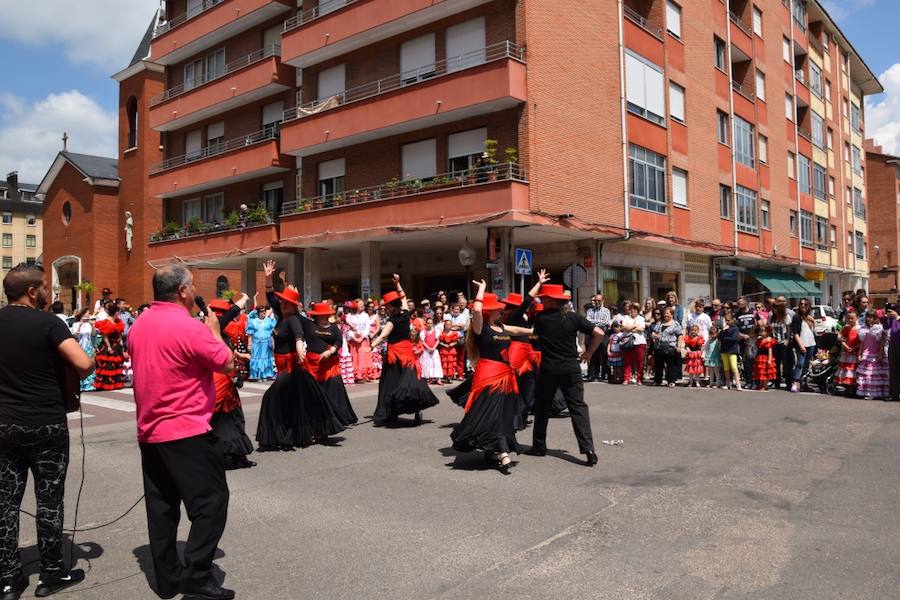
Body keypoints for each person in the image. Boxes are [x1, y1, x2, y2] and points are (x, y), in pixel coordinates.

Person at [126, 264, 235, 600]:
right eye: (191, 284)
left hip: (150, 430)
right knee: (212, 501)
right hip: (186, 429)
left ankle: (168, 579)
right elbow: (227, 363)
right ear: (183, 291)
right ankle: (197, 574)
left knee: (162, 508)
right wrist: (215, 331)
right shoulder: (190, 327)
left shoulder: (140, 324)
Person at [0, 264, 94, 600]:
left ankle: (8, 578)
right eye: (44, 287)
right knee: (49, 500)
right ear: (30, 292)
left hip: (4, 424)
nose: (48, 293)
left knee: (5, 503)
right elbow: (83, 364)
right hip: (45, 424)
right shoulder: (48, 323)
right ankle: (52, 572)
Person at [257, 261, 345, 448]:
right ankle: (293, 432)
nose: (279, 303)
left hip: (291, 367)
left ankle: (283, 435)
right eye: (280, 301)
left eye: (283, 301)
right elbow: (270, 295)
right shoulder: (283, 315)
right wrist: (268, 277)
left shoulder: (294, 320)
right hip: (284, 368)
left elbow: (299, 335)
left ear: (290, 305)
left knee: (272, 399)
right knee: (293, 403)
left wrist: (300, 348)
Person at [451, 283, 534, 471]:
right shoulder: (480, 327)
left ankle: (491, 450)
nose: (500, 311)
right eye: (497, 309)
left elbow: (515, 331)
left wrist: (532, 331)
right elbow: (477, 309)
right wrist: (482, 289)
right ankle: (503, 453)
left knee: (503, 414)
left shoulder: (499, 325)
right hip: (489, 376)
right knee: (493, 413)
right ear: (489, 312)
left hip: (505, 375)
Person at [527, 283, 603, 466]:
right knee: (578, 407)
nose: (541, 300)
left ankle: (539, 446)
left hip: (549, 369)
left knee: (543, 407)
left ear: (551, 300)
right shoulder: (573, 317)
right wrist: (589, 352)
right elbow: (599, 333)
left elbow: (535, 342)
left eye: (544, 298)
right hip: (571, 368)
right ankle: (589, 449)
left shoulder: (541, 319)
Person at [369, 274, 439, 426]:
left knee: (390, 384)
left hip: (395, 356)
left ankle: (391, 414)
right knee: (409, 383)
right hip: (407, 354)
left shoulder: (392, 320)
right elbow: (404, 296)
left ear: (391, 306)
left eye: (386, 306)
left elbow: (383, 335)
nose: (385, 308)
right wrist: (398, 284)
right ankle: (415, 410)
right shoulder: (405, 314)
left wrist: (371, 346)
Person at [206, 297, 256, 471]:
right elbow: (235, 311)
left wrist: (240, 357)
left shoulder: (216, 329)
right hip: (221, 379)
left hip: (226, 378)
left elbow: (227, 348)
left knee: (231, 416)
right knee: (219, 417)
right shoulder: (217, 322)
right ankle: (220, 454)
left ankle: (235, 454)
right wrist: (245, 298)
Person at [302, 302, 358, 427]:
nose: (323, 317)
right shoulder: (309, 325)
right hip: (313, 365)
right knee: (314, 395)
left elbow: (338, 341)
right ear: (315, 316)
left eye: (325, 315)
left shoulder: (334, 328)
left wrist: (330, 351)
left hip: (330, 365)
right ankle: (316, 421)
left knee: (334, 390)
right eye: (320, 315)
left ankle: (337, 419)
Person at [93, 302, 126, 391]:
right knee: (107, 365)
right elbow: (104, 335)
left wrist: (121, 343)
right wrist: (108, 346)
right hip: (108, 345)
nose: (119, 314)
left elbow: (119, 333)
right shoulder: (106, 322)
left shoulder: (118, 321)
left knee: (116, 365)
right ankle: (105, 384)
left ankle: (116, 383)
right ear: (115, 312)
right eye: (118, 312)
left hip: (116, 345)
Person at [856, 312, 889, 400]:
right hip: (866, 354)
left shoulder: (879, 328)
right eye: (867, 317)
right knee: (866, 374)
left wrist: (881, 353)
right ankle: (867, 392)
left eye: (871, 317)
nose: (868, 319)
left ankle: (874, 393)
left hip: (875, 353)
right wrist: (860, 353)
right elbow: (862, 343)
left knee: (873, 374)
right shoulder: (863, 329)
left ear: (875, 318)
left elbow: (882, 342)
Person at [651, 307, 683, 387]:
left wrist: (679, 346)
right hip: (659, 347)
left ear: (672, 314)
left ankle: (671, 380)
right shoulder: (659, 323)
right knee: (658, 365)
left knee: (671, 365)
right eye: (665, 313)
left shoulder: (675, 324)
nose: (665, 315)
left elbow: (680, 335)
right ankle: (657, 380)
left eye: (667, 313)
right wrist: (655, 336)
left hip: (670, 347)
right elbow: (653, 333)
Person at [790, 299, 816, 392]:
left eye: (805, 304)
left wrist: (812, 322)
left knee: (806, 365)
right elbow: (795, 333)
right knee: (800, 363)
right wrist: (801, 344)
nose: (803, 306)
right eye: (801, 304)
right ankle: (795, 383)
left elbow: (812, 331)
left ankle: (804, 383)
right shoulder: (797, 317)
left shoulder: (809, 317)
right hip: (802, 343)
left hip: (811, 343)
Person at [246, 301, 276, 381]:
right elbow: (250, 333)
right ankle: (255, 375)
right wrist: (249, 343)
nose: (264, 312)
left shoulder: (269, 321)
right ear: (258, 312)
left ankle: (267, 374)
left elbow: (271, 333)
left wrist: (273, 343)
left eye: (265, 311)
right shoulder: (253, 321)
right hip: (256, 343)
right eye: (262, 311)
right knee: (256, 358)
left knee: (266, 358)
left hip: (266, 343)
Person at [346, 300, 374, 383]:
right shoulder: (349, 316)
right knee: (355, 357)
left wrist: (362, 336)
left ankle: (364, 375)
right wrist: (353, 337)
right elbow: (347, 328)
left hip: (363, 339)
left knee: (363, 357)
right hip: (354, 340)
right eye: (360, 304)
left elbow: (367, 327)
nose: (363, 305)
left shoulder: (365, 315)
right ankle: (355, 375)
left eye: (363, 304)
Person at [585, 293, 611, 382]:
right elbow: (588, 322)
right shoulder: (590, 311)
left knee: (604, 355)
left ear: (602, 301)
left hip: (603, 335)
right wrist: (599, 323)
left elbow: (607, 322)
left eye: (599, 300)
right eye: (595, 300)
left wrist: (595, 324)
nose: (597, 302)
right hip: (592, 335)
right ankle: (592, 374)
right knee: (592, 355)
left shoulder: (606, 311)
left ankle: (604, 375)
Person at [619, 302, 647, 385]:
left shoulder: (641, 318)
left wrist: (629, 328)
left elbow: (641, 328)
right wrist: (634, 326)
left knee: (639, 361)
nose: (633, 311)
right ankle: (626, 378)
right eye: (631, 309)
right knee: (627, 361)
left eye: (635, 309)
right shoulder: (625, 317)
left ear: (637, 311)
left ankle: (639, 379)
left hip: (639, 342)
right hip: (627, 342)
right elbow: (623, 327)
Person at [70, 307, 97, 392]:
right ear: (83, 314)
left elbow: (93, 334)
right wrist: (80, 326)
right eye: (88, 313)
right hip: (80, 346)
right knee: (81, 365)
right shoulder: (76, 324)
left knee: (89, 365)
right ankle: (80, 384)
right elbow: (75, 336)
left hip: (88, 347)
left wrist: (92, 325)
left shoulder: (89, 324)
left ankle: (89, 385)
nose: (89, 314)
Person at [770, 297, 794, 390]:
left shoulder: (786, 316)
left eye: (776, 307)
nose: (774, 309)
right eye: (773, 307)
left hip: (783, 342)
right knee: (776, 363)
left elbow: (788, 329)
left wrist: (787, 340)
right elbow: (770, 329)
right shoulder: (772, 317)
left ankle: (789, 383)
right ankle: (777, 382)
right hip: (775, 343)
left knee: (786, 363)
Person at [836, 311, 860, 394]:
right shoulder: (846, 328)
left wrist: (854, 348)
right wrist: (846, 346)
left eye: (852, 318)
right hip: (847, 352)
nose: (850, 320)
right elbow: (841, 338)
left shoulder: (859, 329)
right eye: (848, 318)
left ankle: (854, 388)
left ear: (857, 318)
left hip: (855, 352)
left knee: (853, 370)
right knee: (847, 370)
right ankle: (847, 387)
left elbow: (862, 341)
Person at [719, 312, 742, 391]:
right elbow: (719, 338)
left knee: (734, 366)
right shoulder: (724, 329)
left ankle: (738, 384)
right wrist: (723, 331)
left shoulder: (735, 328)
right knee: (726, 367)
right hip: (724, 350)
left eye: (728, 320)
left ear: (733, 320)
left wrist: (725, 337)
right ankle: (728, 383)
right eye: (726, 320)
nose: (727, 322)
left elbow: (734, 339)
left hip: (732, 350)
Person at [419, 317, 443, 384]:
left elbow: (438, 340)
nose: (429, 324)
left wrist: (434, 348)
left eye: (431, 323)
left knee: (436, 363)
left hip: (434, 350)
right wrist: (429, 348)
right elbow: (423, 341)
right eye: (428, 323)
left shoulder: (436, 331)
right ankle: (429, 378)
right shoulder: (423, 332)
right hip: (427, 350)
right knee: (428, 364)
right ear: (426, 324)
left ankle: (438, 378)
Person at [754, 325, 776, 391]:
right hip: (760, 357)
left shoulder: (768, 340)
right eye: (761, 331)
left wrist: (769, 360)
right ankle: (761, 384)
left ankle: (765, 384)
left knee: (766, 372)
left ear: (768, 332)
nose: (762, 332)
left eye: (763, 331)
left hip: (766, 357)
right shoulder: (759, 340)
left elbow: (770, 350)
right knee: (761, 372)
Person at [438, 316, 460, 383]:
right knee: (444, 362)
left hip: (451, 349)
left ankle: (450, 376)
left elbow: (457, 340)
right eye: (447, 324)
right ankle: (445, 376)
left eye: (449, 324)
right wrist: (444, 344)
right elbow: (439, 341)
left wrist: (452, 344)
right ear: (444, 325)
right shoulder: (442, 333)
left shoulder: (454, 333)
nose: (448, 326)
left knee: (451, 363)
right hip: (444, 349)